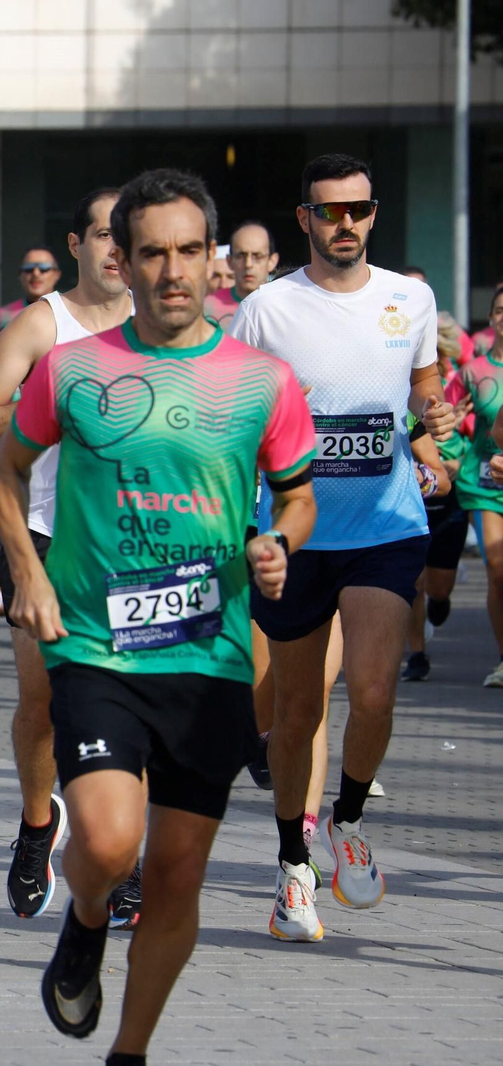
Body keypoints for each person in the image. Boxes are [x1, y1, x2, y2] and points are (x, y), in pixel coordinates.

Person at [0, 168, 318, 1059]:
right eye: (151, 253)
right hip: (97, 645)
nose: (172, 269)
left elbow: (297, 497)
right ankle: (87, 913)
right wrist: (29, 569)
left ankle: (128, 1051)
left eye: (187, 250)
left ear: (214, 261)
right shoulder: (73, 369)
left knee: (175, 875)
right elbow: (6, 467)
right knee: (105, 837)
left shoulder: (262, 382)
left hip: (208, 655)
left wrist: (278, 543)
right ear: (121, 263)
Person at [230, 154, 454, 943]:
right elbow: (235, 411)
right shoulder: (265, 310)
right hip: (295, 538)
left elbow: (423, 384)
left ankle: (347, 819)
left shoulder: (411, 297)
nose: (346, 224)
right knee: (295, 715)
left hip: (387, 525)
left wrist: (433, 413)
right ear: (305, 220)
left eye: (357, 210)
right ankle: (293, 867)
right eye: (330, 212)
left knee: (376, 693)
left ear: (373, 213)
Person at [0, 188, 133, 922]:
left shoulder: (167, 323)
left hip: (137, 538)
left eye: (129, 235)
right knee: (44, 702)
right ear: (75, 245)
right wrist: (45, 405)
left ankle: (124, 864)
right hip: (46, 531)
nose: (116, 248)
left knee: (132, 706)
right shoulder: (42, 323)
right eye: (101, 235)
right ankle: (37, 824)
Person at [402, 322, 472, 682]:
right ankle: (417, 653)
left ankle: (440, 601)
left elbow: (439, 479)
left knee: (437, 589)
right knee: (414, 584)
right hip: (403, 519)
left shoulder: (461, 391)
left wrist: (423, 478)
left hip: (448, 507)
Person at [454, 288, 503, 686]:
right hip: (484, 481)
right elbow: (436, 412)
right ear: (491, 318)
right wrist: (450, 447)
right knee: (498, 569)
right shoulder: (474, 371)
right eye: (501, 311)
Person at [204, 222, 278, 330]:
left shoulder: (285, 306)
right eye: (241, 256)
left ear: (272, 261)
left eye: (257, 256)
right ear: (229, 261)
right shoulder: (206, 308)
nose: (248, 264)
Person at [0, 248, 62, 344]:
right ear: (20, 274)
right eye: (29, 268)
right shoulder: (3, 316)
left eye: (43, 268)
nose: (35, 273)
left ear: (57, 274)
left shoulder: (69, 311)